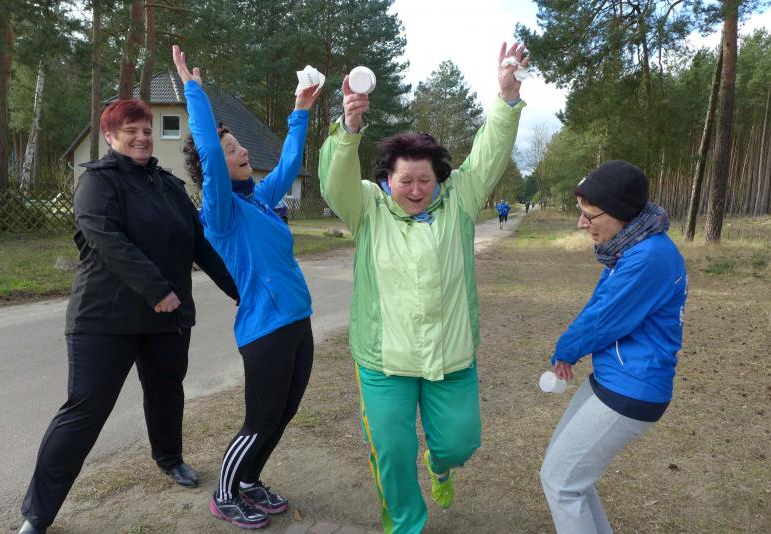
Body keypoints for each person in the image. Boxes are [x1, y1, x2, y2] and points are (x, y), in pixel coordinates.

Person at [318, 42, 528, 534]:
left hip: (450, 356)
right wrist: (348, 128)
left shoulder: (459, 201)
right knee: (391, 451)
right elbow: (334, 182)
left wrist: (506, 99)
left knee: (459, 443)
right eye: (405, 180)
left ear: (440, 179)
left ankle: (440, 465)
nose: (415, 190)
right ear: (386, 179)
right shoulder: (367, 209)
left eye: (425, 181)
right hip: (383, 361)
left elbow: (489, 155)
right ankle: (405, 524)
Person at [17, 98, 239, 534]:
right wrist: (158, 290)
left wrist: (240, 292)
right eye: (131, 131)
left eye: (147, 130)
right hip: (105, 319)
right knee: (85, 411)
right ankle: (37, 514)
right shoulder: (97, 183)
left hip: (166, 320)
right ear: (110, 136)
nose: (142, 138)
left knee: (166, 393)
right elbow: (108, 241)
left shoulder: (170, 187)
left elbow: (200, 246)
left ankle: (170, 459)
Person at [173, 45, 320, 529]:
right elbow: (209, 154)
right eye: (233, 148)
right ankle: (224, 494)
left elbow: (290, 161)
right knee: (259, 420)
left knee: (283, 414)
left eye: (240, 146)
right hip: (264, 330)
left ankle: (250, 482)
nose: (242, 152)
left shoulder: (258, 198)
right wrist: (193, 92)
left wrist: (300, 109)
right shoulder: (220, 212)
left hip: (297, 321)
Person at [539, 160, 688, 534]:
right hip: (611, 378)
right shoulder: (630, 248)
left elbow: (605, 319)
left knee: (561, 484)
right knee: (566, 476)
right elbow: (599, 303)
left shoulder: (650, 255)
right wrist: (568, 349)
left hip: (632, 386)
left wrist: (566, 349)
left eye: (589, 215)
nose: (581, 223)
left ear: (620, 212)